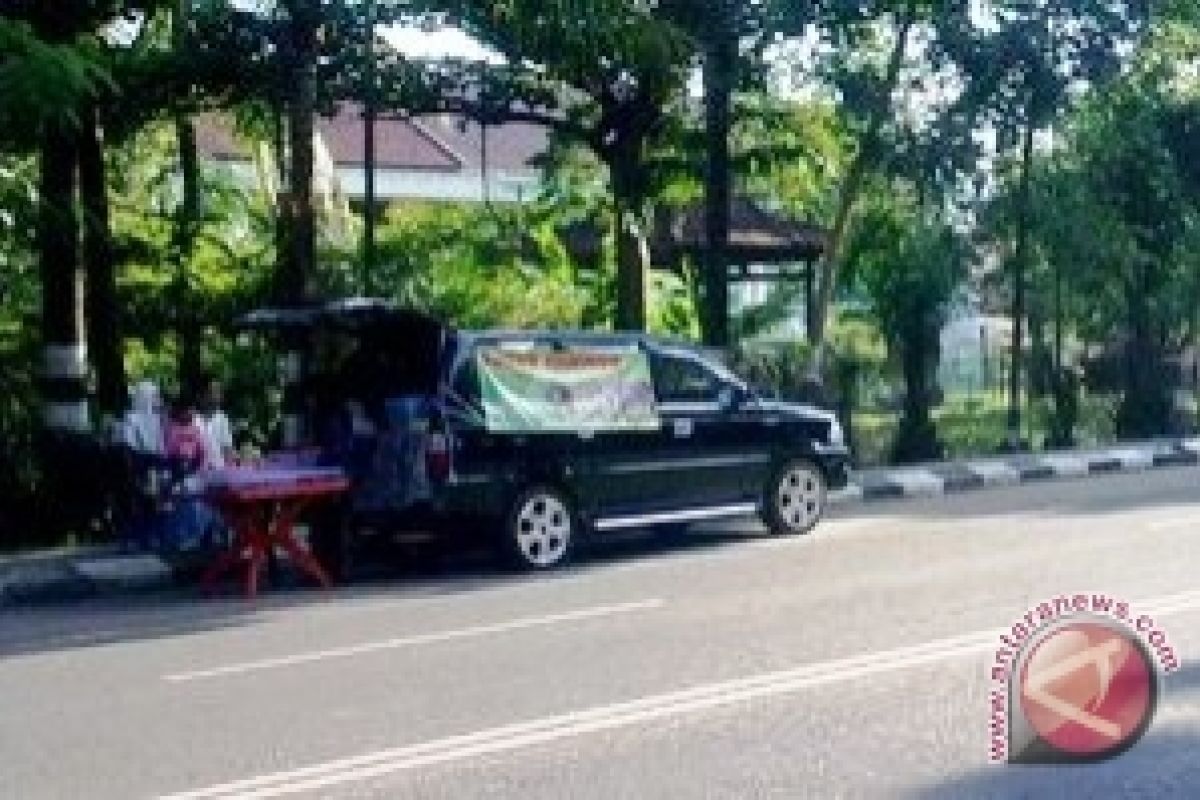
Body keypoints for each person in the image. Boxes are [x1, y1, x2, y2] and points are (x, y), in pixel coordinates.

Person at [197, 375, 236, 469]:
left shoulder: (222, 418)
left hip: (218, 471)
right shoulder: (193, 418)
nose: (217, 396)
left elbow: (227, 448)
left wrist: (232, 469)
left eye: (219, 392)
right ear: (204, 394)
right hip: (197, 473)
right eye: (213, 392)